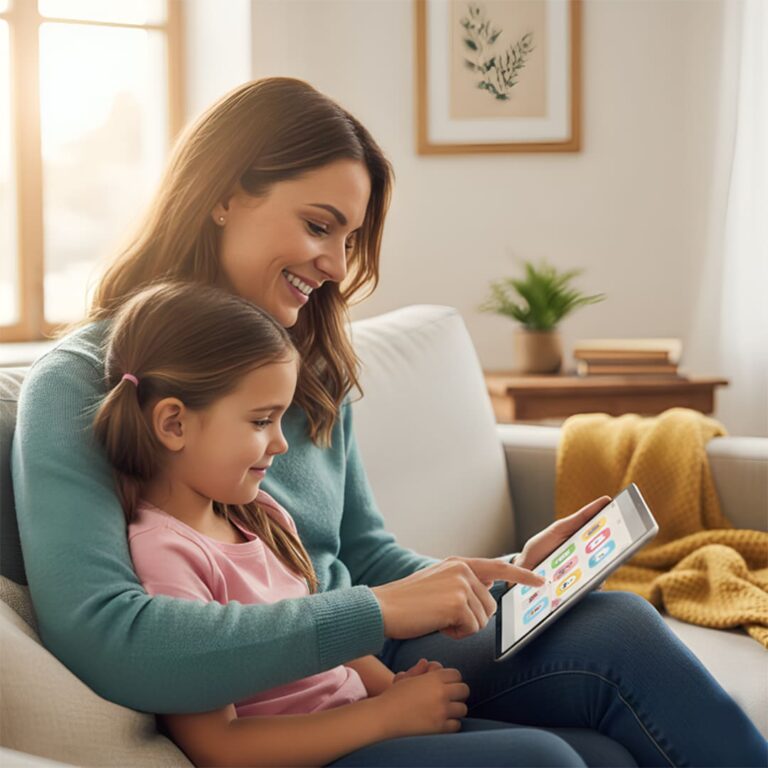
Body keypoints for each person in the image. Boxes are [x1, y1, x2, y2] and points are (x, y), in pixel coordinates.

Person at [12, 78, 766, 767]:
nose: (339, 266)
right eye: (319, 225)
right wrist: (371, 616)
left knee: (617, 625)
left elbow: (364, 556)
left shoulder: (302, 366)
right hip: (293, 695)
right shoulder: (87, 382)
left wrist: (493, 580)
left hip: (369, 660)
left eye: (351, 239)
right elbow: (111, 638)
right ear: (225, 194)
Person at [93, 280, 505, 766]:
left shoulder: (262, 514)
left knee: (589, 751)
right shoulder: (166, 554)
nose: (280, 444)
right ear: (174, 424)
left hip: (366, 725)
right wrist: (387, 717)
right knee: (545, 757)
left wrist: (396, 691)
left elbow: (328, 638)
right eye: (261, 421)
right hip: (323, 754)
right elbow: (219, 746)